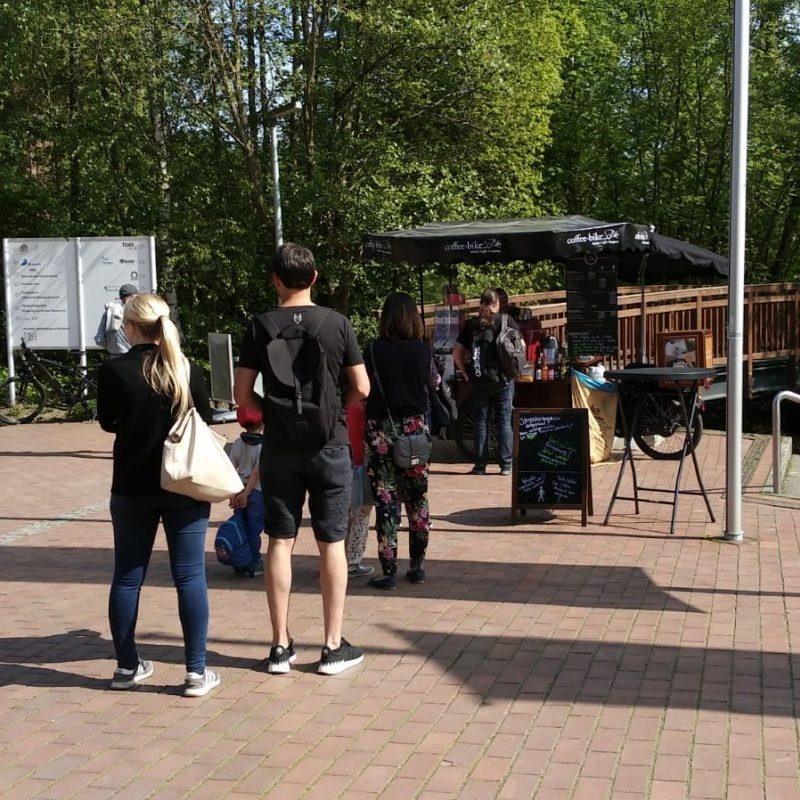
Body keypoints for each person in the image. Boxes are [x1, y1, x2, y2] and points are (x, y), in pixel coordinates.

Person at [234, 242, 370, 676]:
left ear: (275, 280)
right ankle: (332, 646)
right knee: (331, 542)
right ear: (314, 277)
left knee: (280, 541)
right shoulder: (337, 324)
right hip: (328, 446)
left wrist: (273, 413)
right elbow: (362, 388)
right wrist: (331, 411)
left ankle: (280, 646)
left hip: (278, 448)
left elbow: (241, 395)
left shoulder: (259, 326)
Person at [96, 292, 221, 698]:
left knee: (127, 577)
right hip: (183, 483)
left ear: (129, 327)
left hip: (131, 485)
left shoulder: (114, 370)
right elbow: (202, 417)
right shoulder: (185, 369)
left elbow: (107, 423)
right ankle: (196, 673)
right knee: (189, 576)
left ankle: (127, 665)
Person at [364, 292, 436, 590]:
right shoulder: (423, 351)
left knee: (386, 500)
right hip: (415, 431)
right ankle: (417, 566)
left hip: (382, 431)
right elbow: (436, 383)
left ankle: (389, 570)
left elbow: (361, 387)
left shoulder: (372, 350)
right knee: (418, 500)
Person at [452, 288, 519, 476]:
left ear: (481, 303)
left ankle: (480, 466)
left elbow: (456, 351)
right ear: (497, 303)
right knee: (504, 422)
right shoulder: (506, 321)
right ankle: (505, 465)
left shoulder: (471, 325)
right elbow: (519, 347)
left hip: (479, 381)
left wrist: (465, 373)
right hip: (503, 381)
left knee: (481, 422)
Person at [226, 405, 266, 577]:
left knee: (241, 526)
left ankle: (239, 560)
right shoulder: (263, 446)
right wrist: (247, 493)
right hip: (256, 492)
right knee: (253, 529)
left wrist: (234, 493)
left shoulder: (237, 443)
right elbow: (257, 472)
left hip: (239, 489)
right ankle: (254, 561)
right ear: (263, 423)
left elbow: (229, 468)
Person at [345, 403, 374, 578]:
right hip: (360, 463)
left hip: (339, 461)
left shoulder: (338, 402)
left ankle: (338, 557)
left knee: (342, 515)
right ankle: (352, 561)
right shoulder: (363, 407)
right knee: (361, 515)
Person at [95, 284, 138, 356]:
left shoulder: (108, 312)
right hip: (133, 356)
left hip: (114, 357)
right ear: (133, 296)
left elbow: (100, 339)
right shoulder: (136, 312)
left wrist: (112, 347)